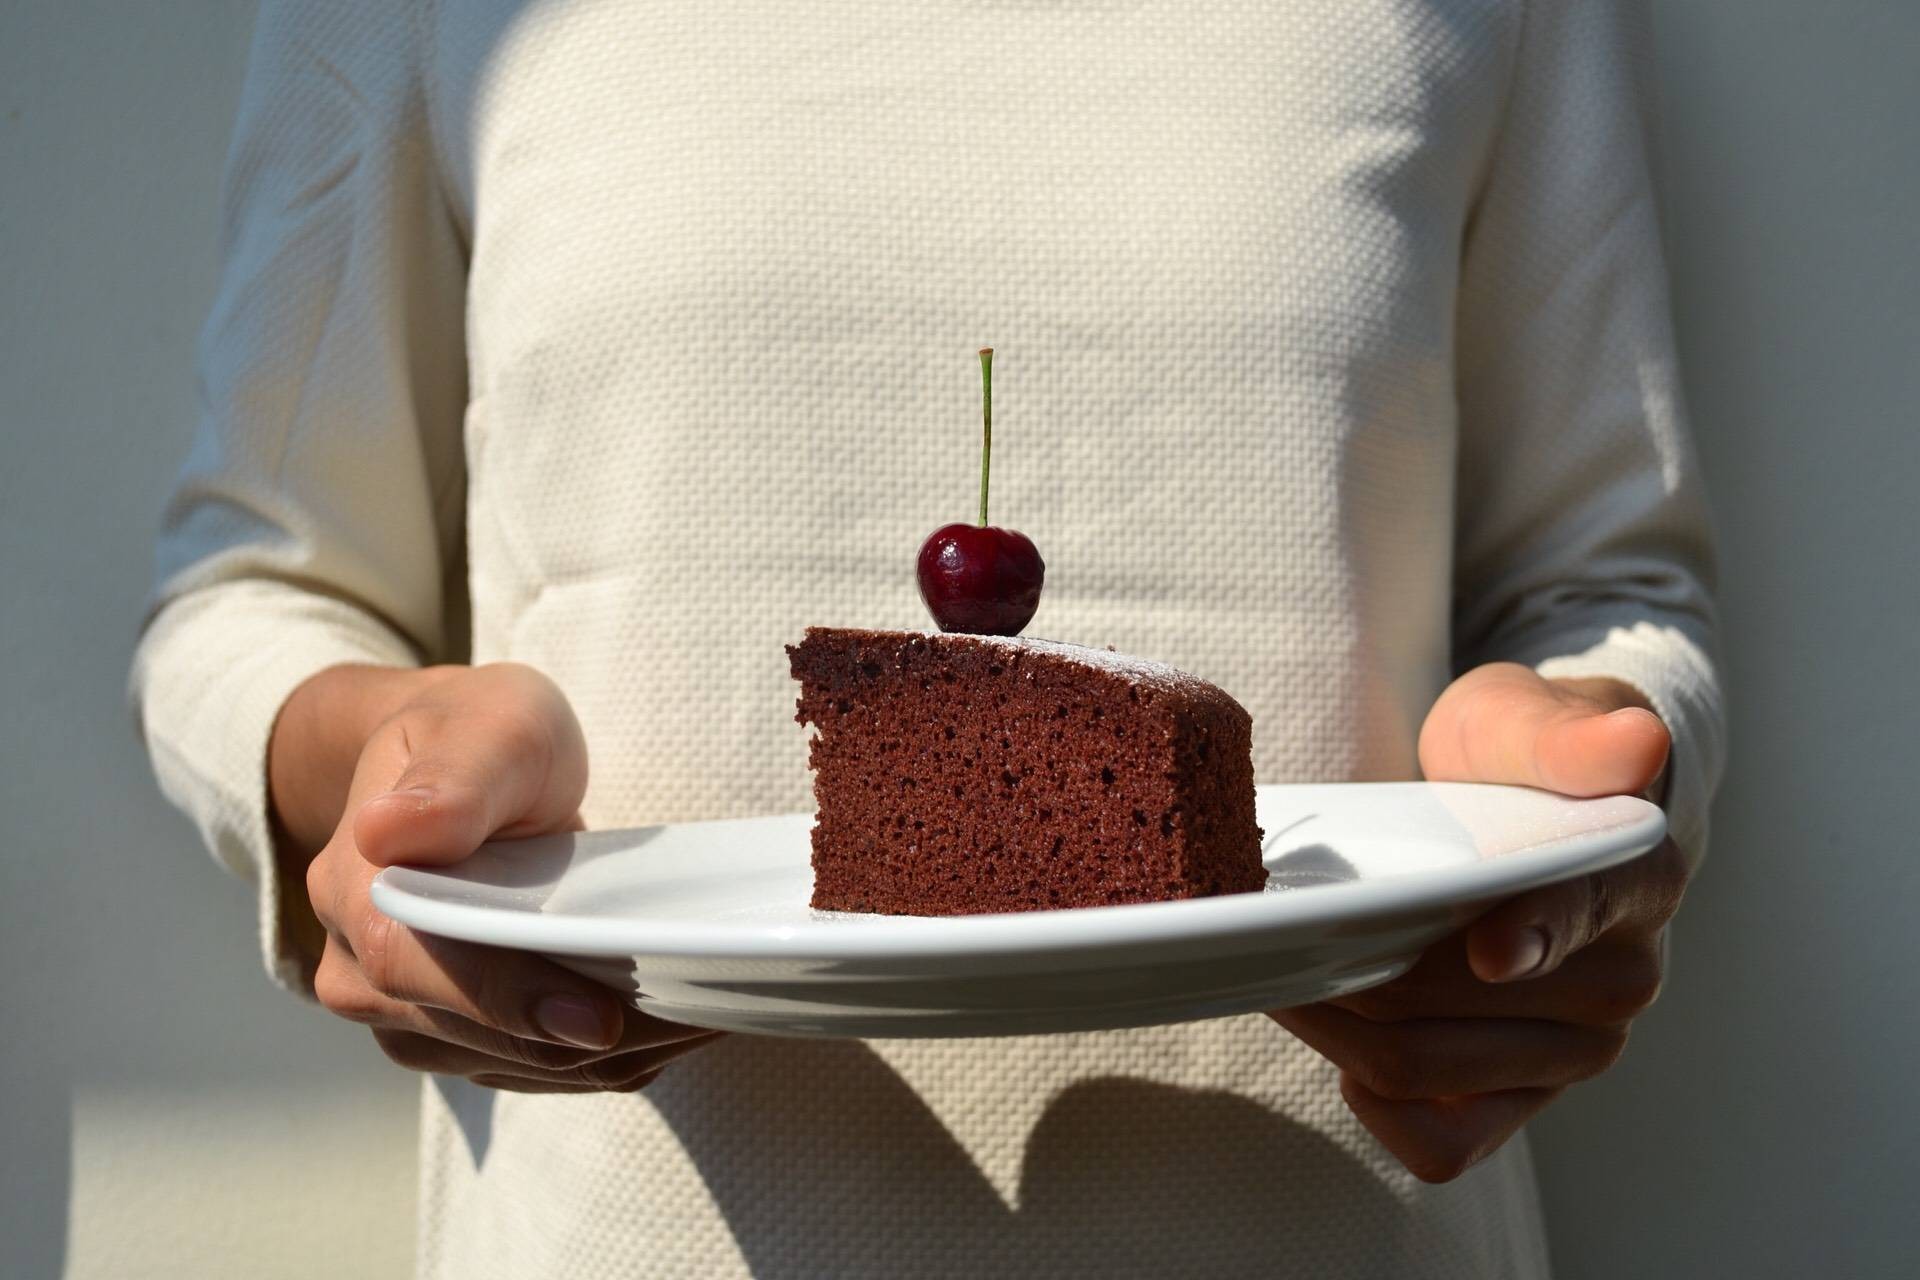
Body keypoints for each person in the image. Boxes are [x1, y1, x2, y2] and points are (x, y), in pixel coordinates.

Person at [132, 1, 1723, 1276]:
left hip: (1341, 1226)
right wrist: (375, 785)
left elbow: (1606, 590)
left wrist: (1583, 795)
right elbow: (254, 591)